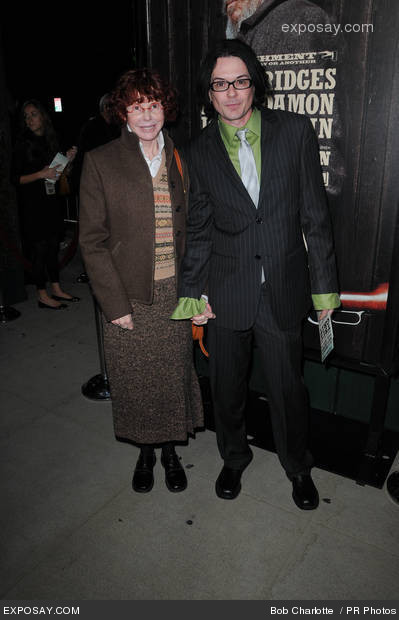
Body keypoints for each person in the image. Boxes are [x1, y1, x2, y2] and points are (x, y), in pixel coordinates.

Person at [173, 39, 340, 509]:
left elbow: (315, 217)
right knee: (226, 387)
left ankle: (297, 466)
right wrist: (192, 293)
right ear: (210, 92)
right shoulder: (199, 151)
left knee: (289, 388)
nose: (231, 93)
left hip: (283, 288)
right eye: (220, 84)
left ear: (255, 84)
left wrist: (325, 290)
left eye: (240, 81)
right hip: (227, 292)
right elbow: (199, 228)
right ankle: (233, 457)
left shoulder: (294, 131)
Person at [79, 69, 204, 494]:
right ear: (123, 113)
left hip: (175, 291)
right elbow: (91, 242)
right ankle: (145, 453)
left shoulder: (181, 157)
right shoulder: (100, 162)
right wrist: (115, 306)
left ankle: (170, 451)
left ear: (165, 108)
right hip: (128, 294)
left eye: (153, 104)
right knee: (135, 381)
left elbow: (197, 229)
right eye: (137, 106)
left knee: (172, 377)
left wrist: (197, 292)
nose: (147, 115)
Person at [12, 99, 79, 309]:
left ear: (43, 116)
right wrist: (41, 173)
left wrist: (68, 161)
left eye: (33, 114)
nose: (30, 119)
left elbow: (57, 175)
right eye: (26, 116)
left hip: (51, 200)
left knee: (52, 246)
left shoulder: (51, 140)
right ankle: (42, 294)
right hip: (32, 204)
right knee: (39, 249)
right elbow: (15, 179)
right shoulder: (23, 143)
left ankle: (56, 288)